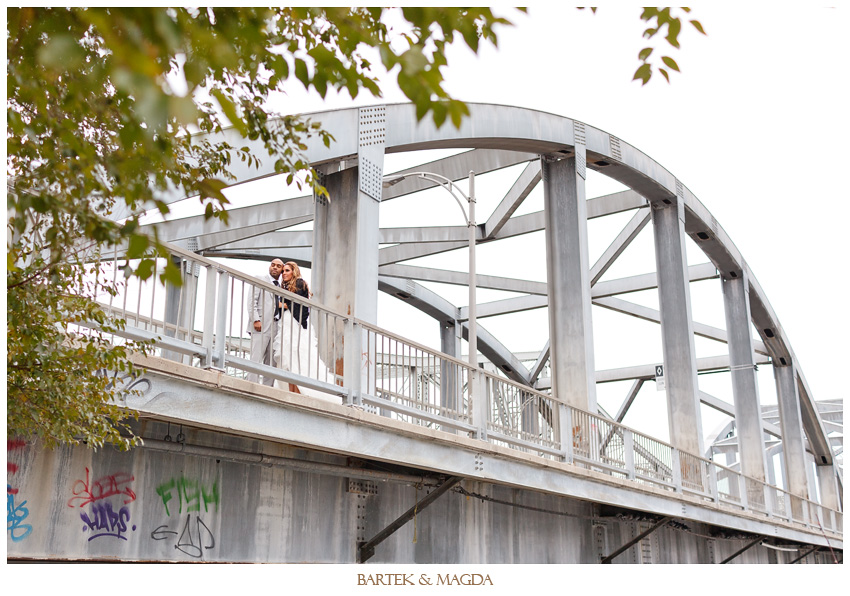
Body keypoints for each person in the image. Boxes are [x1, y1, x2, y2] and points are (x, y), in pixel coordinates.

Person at [272, 262, 336, 403]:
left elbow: (298, 305)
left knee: (297, 355)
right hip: (287, 323)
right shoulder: (286, 286)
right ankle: (291, 391)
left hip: (296, 324)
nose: (284, 273)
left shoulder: (300, 283)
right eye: (283, 271)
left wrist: (280, 304)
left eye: (287, 270)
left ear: (294, 271)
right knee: (287, 358)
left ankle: (299, 392)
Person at [245, 258, 284, 385]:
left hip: (276, 326)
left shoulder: (281, 287)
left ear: (282, 270)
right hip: (261, 325)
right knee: (256, 357)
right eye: (273, 265)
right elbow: (252, 301)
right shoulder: (260, 279)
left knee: (271, 361)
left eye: (278, 266)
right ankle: (251, 385)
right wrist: (255, 319)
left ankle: (267, 388)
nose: (275, 267)